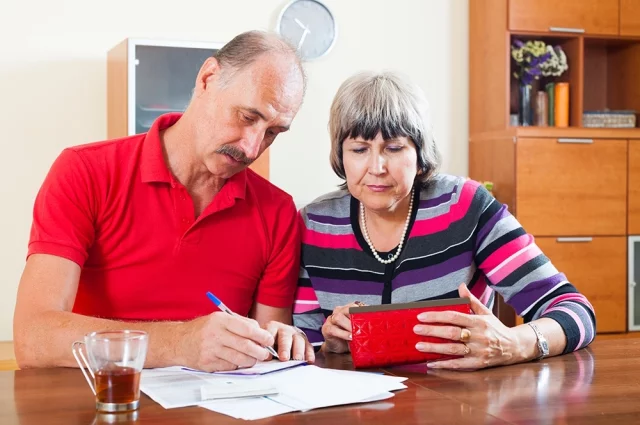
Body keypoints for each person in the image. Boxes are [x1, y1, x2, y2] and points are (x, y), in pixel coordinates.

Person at [14, 30, 314, 371]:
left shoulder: (277, 211)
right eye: (247, 117)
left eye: (273, 132)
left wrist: (279, 343)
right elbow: (32, 339)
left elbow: (265, 351)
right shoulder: (84, 171)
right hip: (101, 404)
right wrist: (179, 343)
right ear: (208, 78)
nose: (252, 148)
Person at [292, 71, 595, 370]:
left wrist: (515, 344)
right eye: (359, 149)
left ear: (420, 152)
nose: (377, 167)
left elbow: (576, 312)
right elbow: (301, 343)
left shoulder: (463, 207)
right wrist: (333, 344)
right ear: (340, 155)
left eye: (394, 148)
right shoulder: (315, 225)